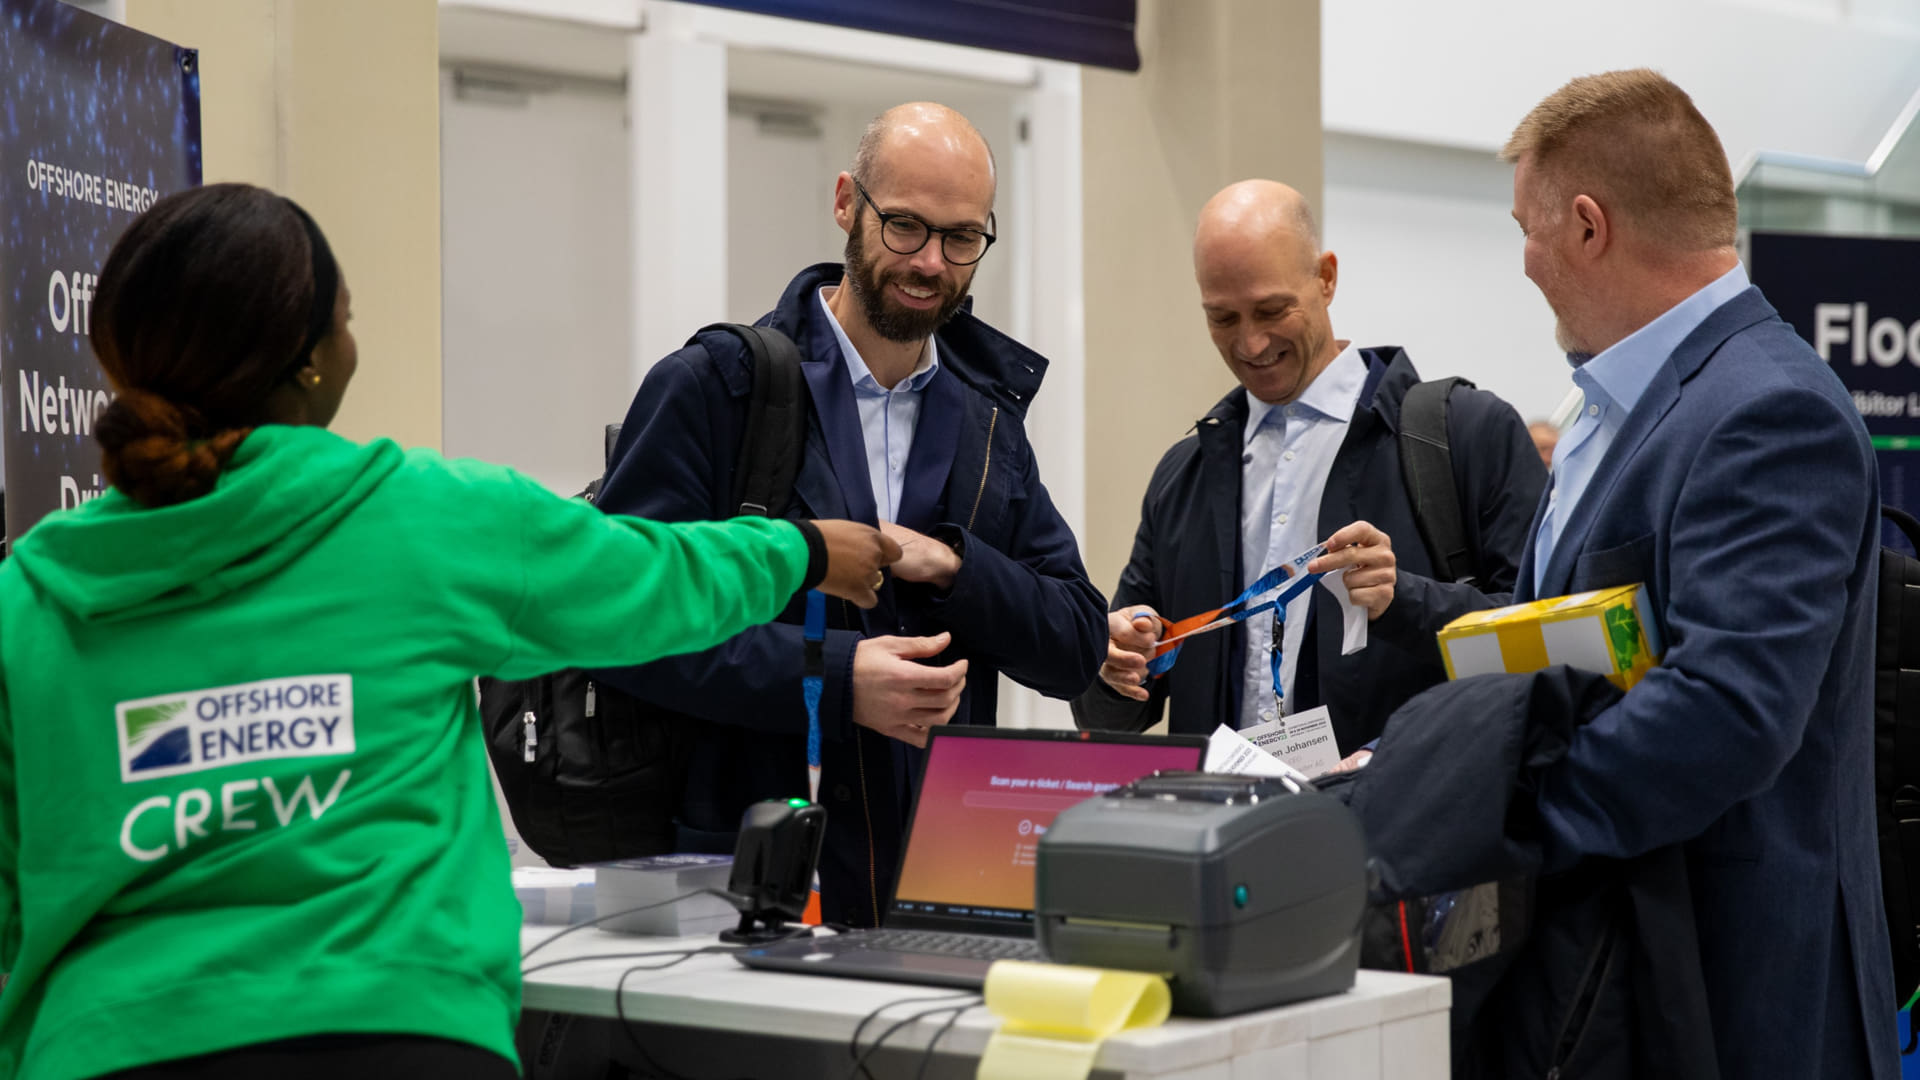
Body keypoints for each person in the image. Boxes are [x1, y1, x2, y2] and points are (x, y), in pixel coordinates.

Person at [0, 183, 897, 1080]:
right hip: (396, 1029)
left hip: (108, 1043)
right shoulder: (421, 519)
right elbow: (651, 582)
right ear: (310, 361)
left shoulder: (31, 597)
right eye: (345, 319)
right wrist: (803, 550)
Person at [591, 103, 1106, 927]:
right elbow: (614, 619)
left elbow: (1079, 641)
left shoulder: (985, 422)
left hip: (944, 893)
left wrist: (955, 564)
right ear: (845, 204)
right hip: (744, 890)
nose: (932, 262)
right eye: (904, 226)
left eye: (962, 237)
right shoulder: (717, 390)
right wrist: (833, 679)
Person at [1502, 70, 1893, 1076]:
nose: (1528, 264)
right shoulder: (1618, 405)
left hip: (1731, 1003)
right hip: (1614, 979)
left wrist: (1495, 809)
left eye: (1528, 233)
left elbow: (1728, 710)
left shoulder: (1770, 413)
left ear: (1589, 227)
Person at [1074, 180, 1545, 756]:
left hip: (1398, 825)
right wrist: (1116, 670)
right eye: (1222, 318)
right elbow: (1108, 720)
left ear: (1326, 278)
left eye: (1272, 310)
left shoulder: (1465, 434)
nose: (1250, 342)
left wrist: (1406, 601)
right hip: (1225, 828)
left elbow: (1541, 641)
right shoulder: (1186, 474)